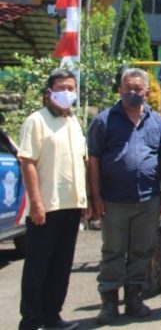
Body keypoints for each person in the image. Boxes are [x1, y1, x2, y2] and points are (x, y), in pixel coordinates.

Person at [87, 68, 161, 324]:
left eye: (138, 89)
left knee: (142, 250)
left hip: (148, 198)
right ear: (120, 90)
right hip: (113, 199)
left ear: (146, 91)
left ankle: (134, 298)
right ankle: (109, 303)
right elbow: (94, 160)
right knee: (112, 250)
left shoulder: (157, 122)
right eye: (128, 88)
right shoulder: (104, 120)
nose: (133, 93)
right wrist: (95, 196)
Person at [18, 68, 90, 330]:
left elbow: (81, 162)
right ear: (49, 92)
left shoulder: (74, 122)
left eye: (71, 88)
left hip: (71, 206)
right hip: (46, 207)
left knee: (61, 265)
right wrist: (36, 202)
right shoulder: (36, 121)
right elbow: (27, 162)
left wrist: (86, 200)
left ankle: (52, 316)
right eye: (61, 88)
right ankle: (31, 320)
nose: (66, 93)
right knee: (39, 265)